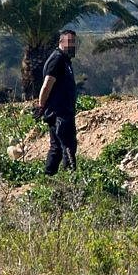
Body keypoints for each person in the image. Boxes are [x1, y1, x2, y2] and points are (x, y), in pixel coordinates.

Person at [36, 30, 79, 175]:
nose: (73, 45)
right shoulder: (57, 59)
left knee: (57, 148)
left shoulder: (65, 60)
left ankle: (49, 176)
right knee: (68, 146)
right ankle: (70, 177)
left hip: (64, 111)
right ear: (61, 42)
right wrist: (41, 106)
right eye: (70, 42)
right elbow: (47, 85)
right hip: (59, 113)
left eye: (74, 42)